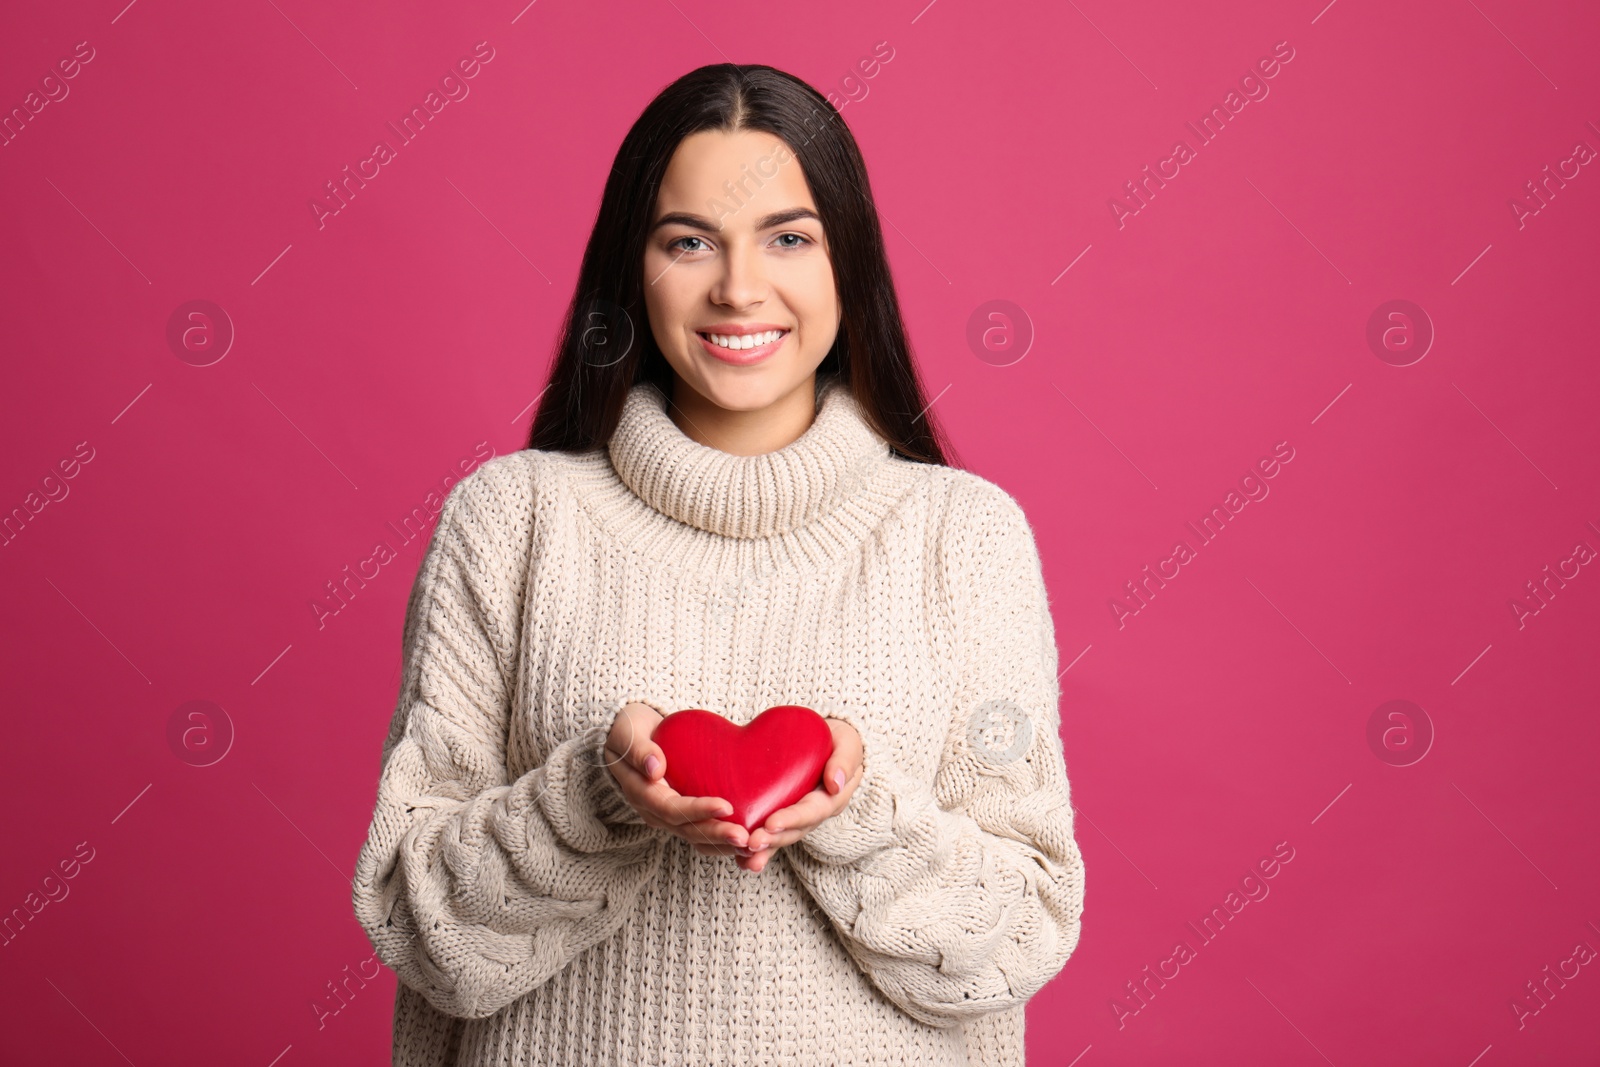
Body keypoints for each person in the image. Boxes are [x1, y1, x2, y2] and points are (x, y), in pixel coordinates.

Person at [351, 62, 1085, 1067]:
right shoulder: (511, 522)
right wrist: (596, 792)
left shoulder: (964, 539)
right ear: (633, 268)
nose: (739, 286)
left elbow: (1019, 933)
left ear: (848, 266)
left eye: (789, 237)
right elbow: (414, 919)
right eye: (689, 241)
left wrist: (855, 802)